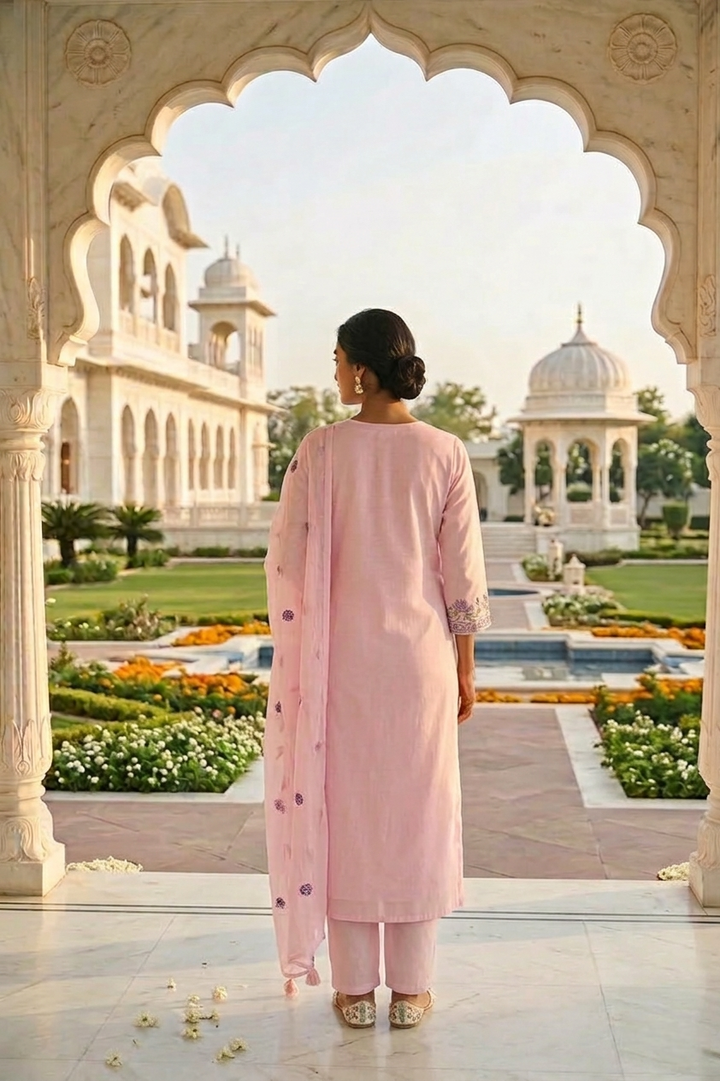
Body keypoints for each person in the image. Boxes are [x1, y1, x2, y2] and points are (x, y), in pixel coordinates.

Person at [263, 308, 491, 1031]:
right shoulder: (445, 452)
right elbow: (463, 574)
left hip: (340, 665)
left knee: (349, 817)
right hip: (420, 664)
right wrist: (465, 668)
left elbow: (288, 561)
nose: (332, 372)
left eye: (336, 359)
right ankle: (414, 989)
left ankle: (355, 988)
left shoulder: (321, 451)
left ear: (361, 370)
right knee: (418, 814)